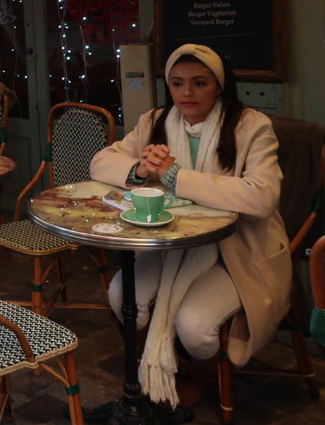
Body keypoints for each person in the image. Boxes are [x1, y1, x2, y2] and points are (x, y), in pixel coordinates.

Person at [90, 43, 289, 407]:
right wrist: (140, 170)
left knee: (195, 329)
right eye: (177, 83)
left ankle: (193, 368)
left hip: (234, 248)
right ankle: (162, 361)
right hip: (171, 242)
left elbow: (262, 197)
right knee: (122, 297)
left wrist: (175, 176)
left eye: (199, 83)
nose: (186, 93)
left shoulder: (251, 126)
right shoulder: (154, 122)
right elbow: (101, 163)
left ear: (219, 85)